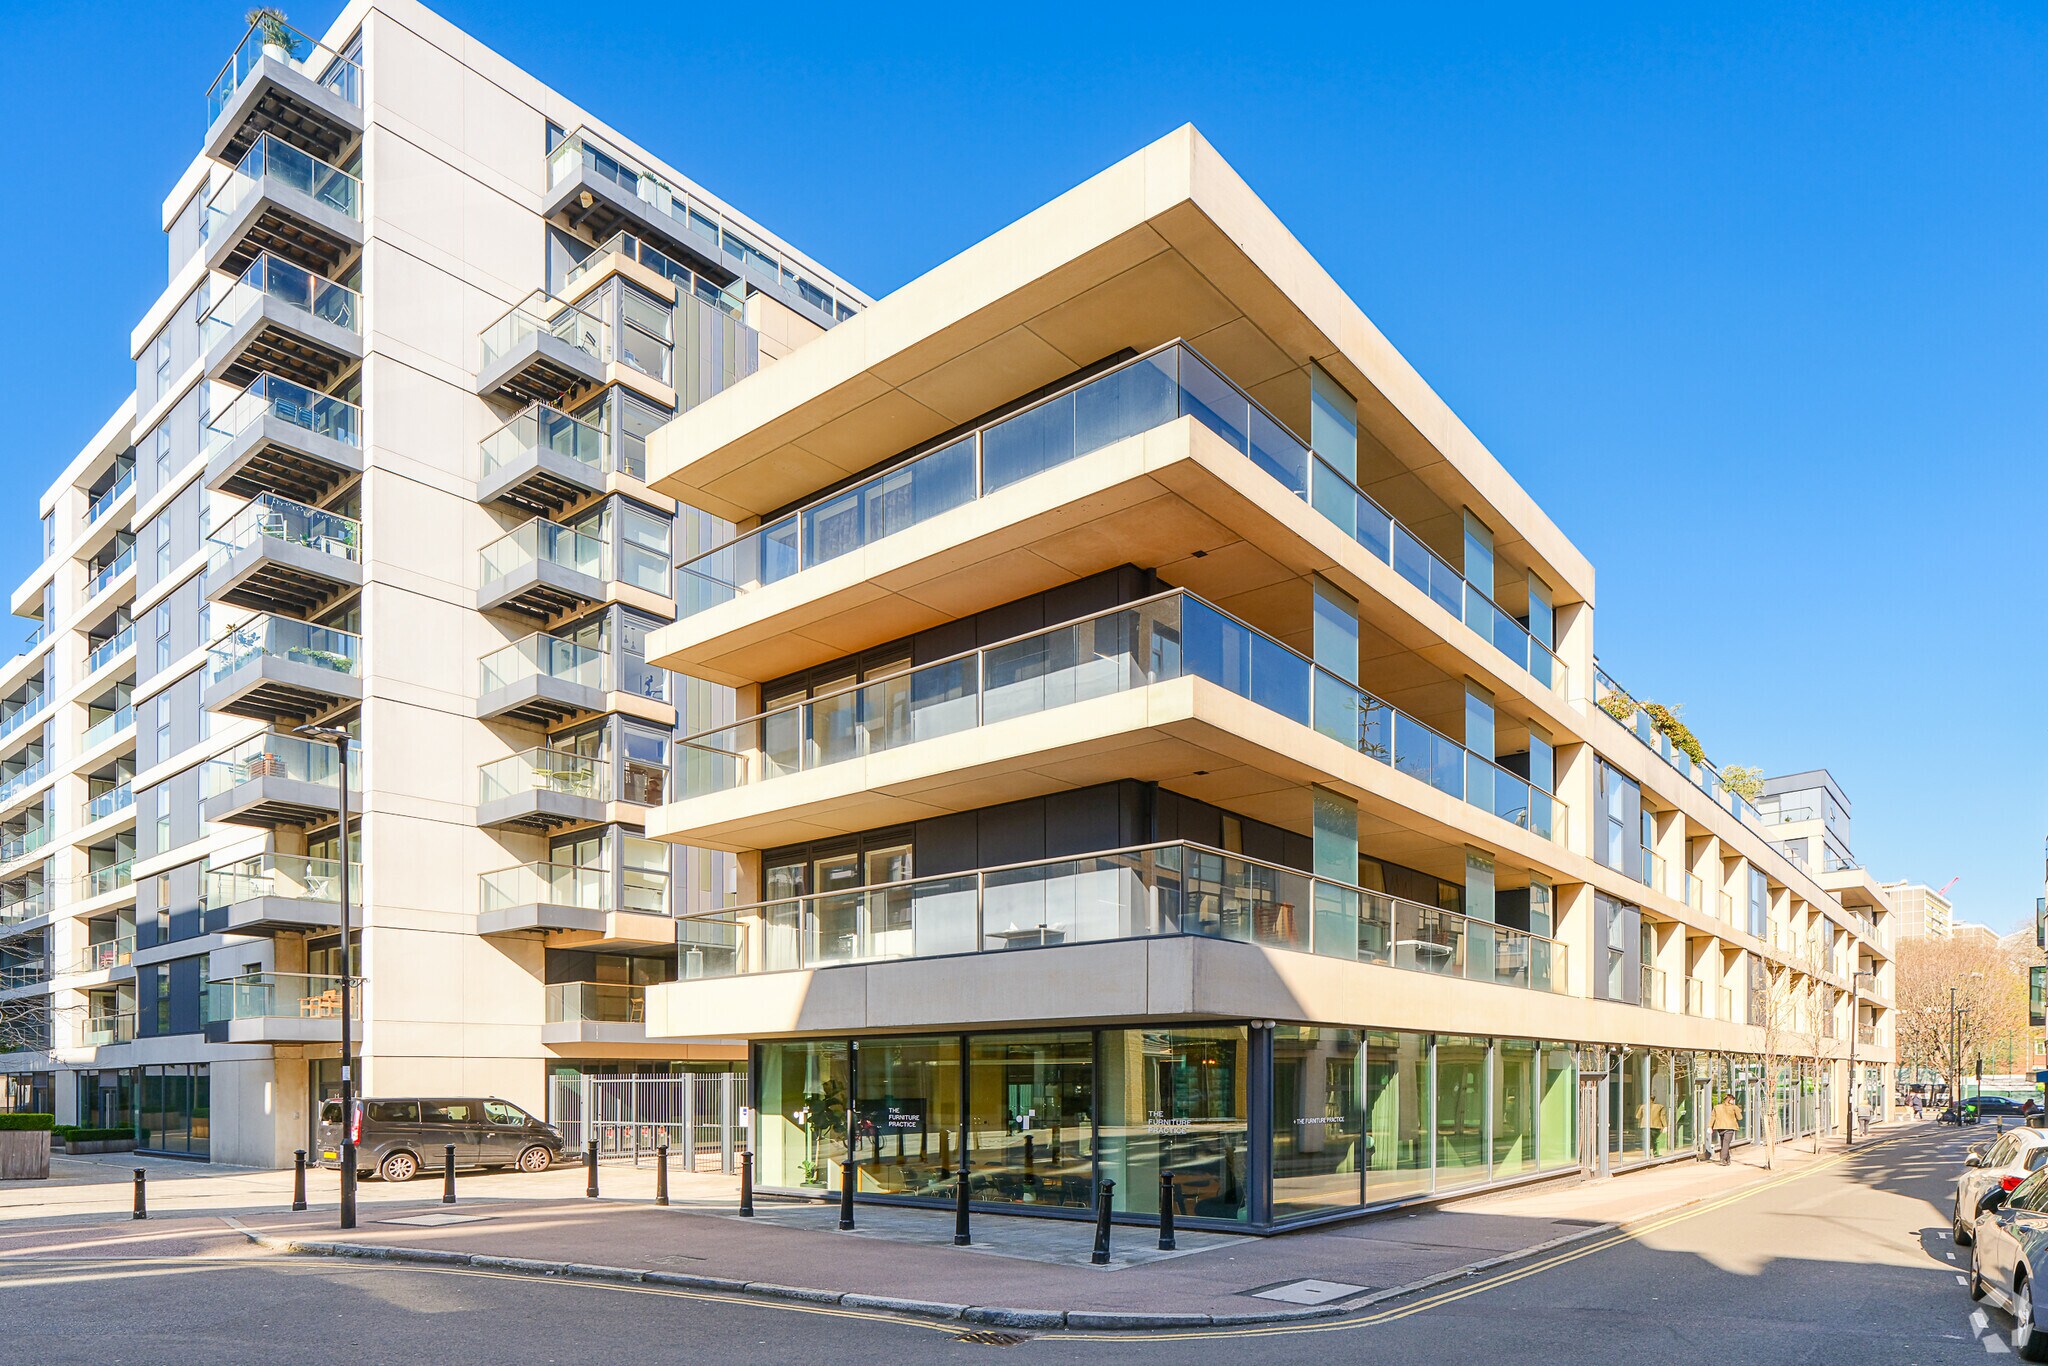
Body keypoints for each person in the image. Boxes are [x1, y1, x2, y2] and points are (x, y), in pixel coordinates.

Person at [1709, 1091, 1743, 1166]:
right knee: (1726, 1143)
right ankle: (1722, 1159)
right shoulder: (1734, 1107)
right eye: (1733, 1100)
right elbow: (1740, 1118)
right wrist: (1739, 1110)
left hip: (1719, 1127)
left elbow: (1712, 1117)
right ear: (1730, 1100)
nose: (1733, 1101)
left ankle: (1727, 1159)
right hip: (1729, 1127)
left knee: (1724, 1143)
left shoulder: (1717, 1107)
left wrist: (1710, 1126)